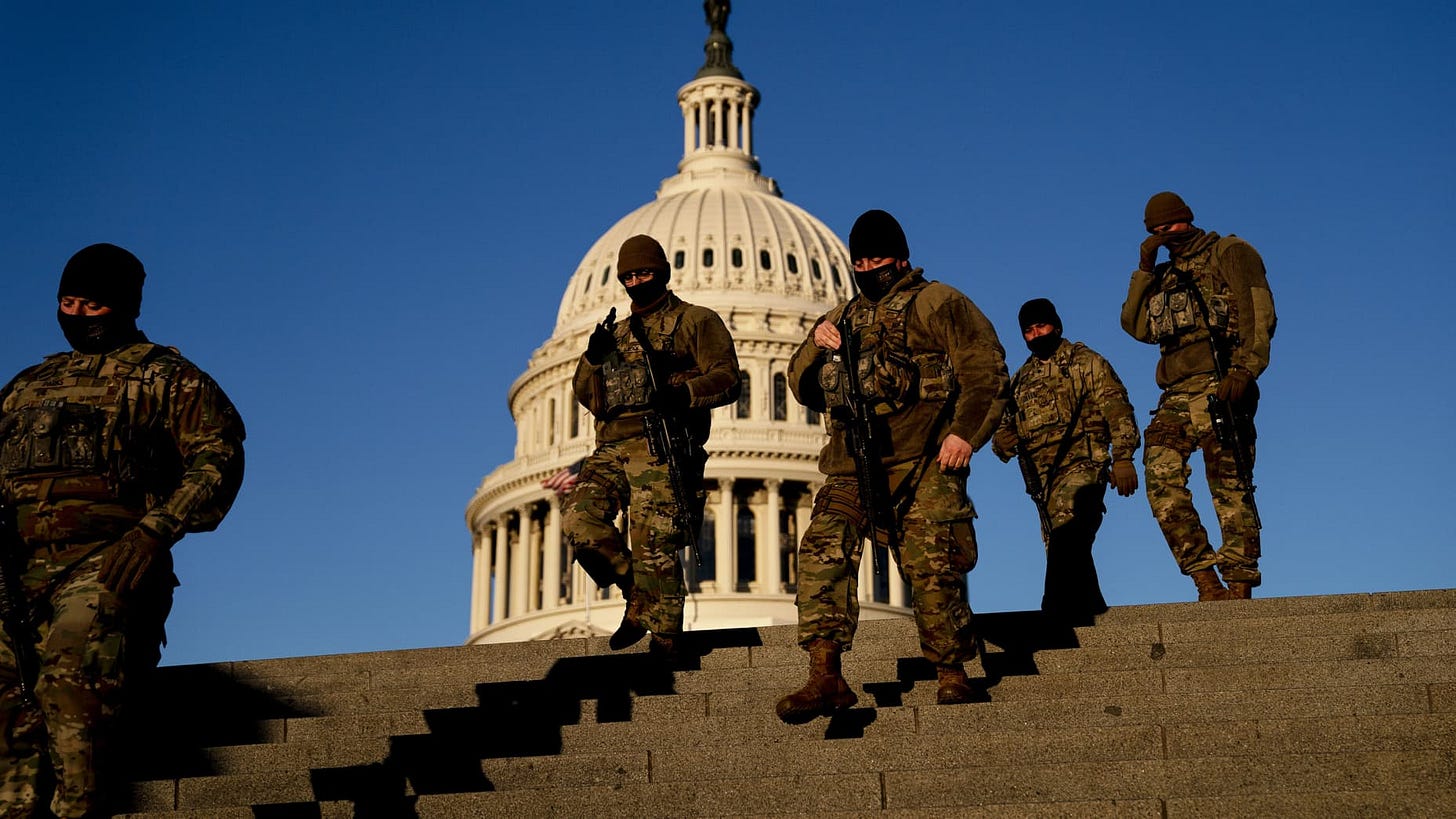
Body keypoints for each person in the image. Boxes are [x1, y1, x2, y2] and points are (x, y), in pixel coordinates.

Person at [0, 243, 246, 817]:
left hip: (109, 560)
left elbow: (216, 458)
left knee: (73, 687)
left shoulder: (168, 377)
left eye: (94, 304)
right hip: (15, 567)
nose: (80, 315)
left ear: (125, 306)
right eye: (69, 302)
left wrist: (154, 531)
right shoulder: (26, 386)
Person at [776, 209, 1009, 722]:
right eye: (859, 260)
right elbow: (800, 385)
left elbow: (985, 370)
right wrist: (815, 349)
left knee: (930, 566)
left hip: (924, 455)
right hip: (853, 463)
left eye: (876, 258)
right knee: (821, 552)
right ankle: (825, 673)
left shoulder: (939, 302)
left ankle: (951, 672)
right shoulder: (840, 316)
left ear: (900, 257)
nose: (868, 268)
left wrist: (964, 434)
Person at [564, 235, 741, 658]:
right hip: (610, 447)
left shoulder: (695, 321)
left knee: (654, 541)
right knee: (579, 522)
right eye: (628, 276)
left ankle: (664, 636)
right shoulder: (616, 333)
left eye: (643, 273)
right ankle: (637, 594)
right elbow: (588, 396)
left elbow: (728, 378)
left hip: (658, 442)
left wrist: (683, 394)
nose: (635, 281)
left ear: (660, 273)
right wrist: (591, 359)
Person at [1120, 191, 1275, 601]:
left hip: (1221, 382)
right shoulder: (1164, 275)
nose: (1163, 235)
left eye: (1168, 227)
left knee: (1230, 483)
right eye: (1154, 232)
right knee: (1160, 480)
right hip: (1175, 394)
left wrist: (1246, 369)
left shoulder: (1230, 252)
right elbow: (1135, 327)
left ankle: (1239, 582)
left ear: (1186, 219)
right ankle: (1205, 580)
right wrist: (1144, 270)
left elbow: (1259, 312)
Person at [991, 298, 1140, 621]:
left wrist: (1123, 457)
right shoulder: (1021, 380)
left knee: (1068, 535)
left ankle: (1054, 608)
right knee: (1063, 546)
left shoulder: (1085, 363)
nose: (1036, 334)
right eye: (1028, 331)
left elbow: (1117, 409)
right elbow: (1001, 429)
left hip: (1083, 465)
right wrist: (1002, 442)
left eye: (1041, 326)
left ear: (1056, 326)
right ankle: (1088, 609)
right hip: (1043, 481)